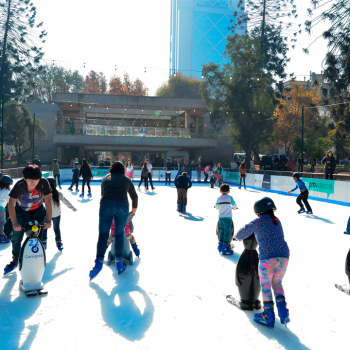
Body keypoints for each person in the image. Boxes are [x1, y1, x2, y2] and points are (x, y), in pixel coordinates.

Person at [235, 197, 290, 329]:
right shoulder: (277, 220)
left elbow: (241, 232)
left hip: (267, 259)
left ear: (259, 211)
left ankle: (268, 316)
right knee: (277, 283)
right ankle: (283, 312)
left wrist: (236, 237)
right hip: (284, 257)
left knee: (266, 286)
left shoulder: (258, 221)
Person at [89, 161, 138, 280]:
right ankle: (119, 263)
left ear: (111, 169)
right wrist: (133, 211)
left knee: (103, 235)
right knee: (119, 234)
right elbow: (134, 196)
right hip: (122, 205)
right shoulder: (126, 179)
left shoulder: (105, 178)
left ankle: (98, 263)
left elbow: (103, 193)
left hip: (106, 204)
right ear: (123, 169)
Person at [4, 165, 52, 275]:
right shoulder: (20, 185)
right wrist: (15, 222)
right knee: (17, 236)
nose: (33, 183)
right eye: (30, 180)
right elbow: (11, 204)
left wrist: (48, 221)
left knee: (37, 236)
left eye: (36, 180)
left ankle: (36, 258)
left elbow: (48, 202)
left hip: (38, 211)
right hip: (21, 211)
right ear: (25, 179)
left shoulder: (44, 183)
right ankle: (16, 259)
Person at [41, 177, 77, 251]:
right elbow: (66, 201)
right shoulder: (57, 193)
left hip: (47, 214)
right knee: (56, 229)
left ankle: (44, 242)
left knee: (45, 229)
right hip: (54, 214)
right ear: (55, 185)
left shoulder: (43, 194)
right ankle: (58, 242)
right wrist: (72, 208)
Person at [215, 183, 237, 255]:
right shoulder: (230, 198)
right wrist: (234, 208)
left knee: (222, 231)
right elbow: (234, 205)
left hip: (221, 218)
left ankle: (220, 245)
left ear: (220, 191)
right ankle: (225, 247)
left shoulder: (218, 198)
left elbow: (216, 207)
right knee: (227, 232)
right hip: (228, 218)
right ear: (229, 191)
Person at [0, 176, 13, 244]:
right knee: (2, 222)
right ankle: (1, 236)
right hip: (0, 208)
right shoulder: (5, 190)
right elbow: (9, 200)